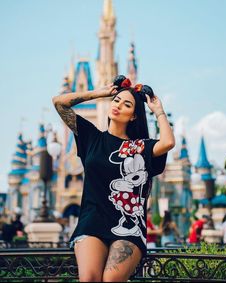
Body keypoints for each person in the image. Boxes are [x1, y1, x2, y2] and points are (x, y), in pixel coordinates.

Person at [52, 75, 175, 282]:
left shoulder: (140, 147)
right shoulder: (91, 137)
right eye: (117, 100)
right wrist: (100, 93)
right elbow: (59, 103)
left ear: (134, 116)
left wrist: (158, 111)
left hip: (128, 227)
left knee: (111, 279)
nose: (118, 105)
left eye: (126, 104)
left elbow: (168, 142)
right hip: (92, 222)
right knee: (89, 278)